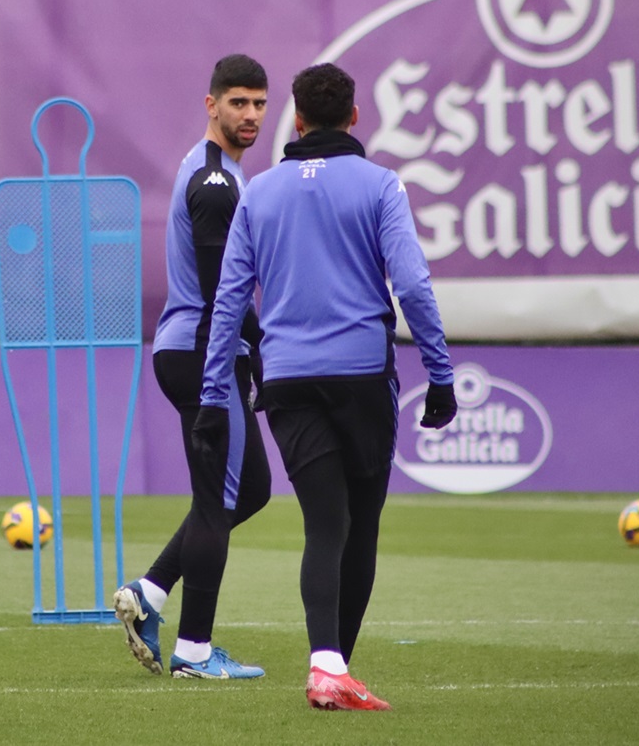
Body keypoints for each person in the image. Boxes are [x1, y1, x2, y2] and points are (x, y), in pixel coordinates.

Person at [195, 63, 456, 711]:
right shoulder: (380, 185)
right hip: (362, 377)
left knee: (324, 524)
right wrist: (441, 375)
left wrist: (210, 396)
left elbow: (229, 300)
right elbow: (415, 287)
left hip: (286, 379)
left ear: (298, 120)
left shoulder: (260, 191)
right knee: (359, 527)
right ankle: (333, 668)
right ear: (357, 117)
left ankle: (328, 664)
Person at [112, 54, 272, 680]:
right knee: (218, 502)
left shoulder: (218, 171)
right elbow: (218, 292)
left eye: (259, 102)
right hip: (205, 351)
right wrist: (256, 346)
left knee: (248, 489)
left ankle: (149, 594)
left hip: (199, 348)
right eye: (238, 102)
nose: (251, 114)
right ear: (211, 105)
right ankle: (195, 653)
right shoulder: (215, 183)